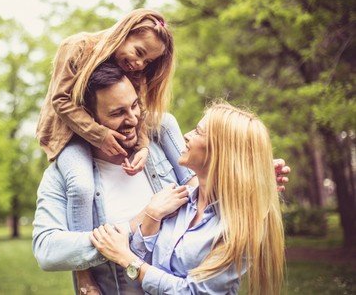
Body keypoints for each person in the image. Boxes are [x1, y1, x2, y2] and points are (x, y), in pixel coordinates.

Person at [32, 63, 290, 294]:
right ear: (87, 119)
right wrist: (140, 222)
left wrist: (252, 170)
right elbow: (47, 251)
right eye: (117, 113)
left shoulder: (160, 149)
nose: (132, 119)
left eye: (134, 105)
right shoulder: (63, 175)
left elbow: (209, 178)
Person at [35, 9, 186, 290]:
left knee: (161, 120)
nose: (139, 63)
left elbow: (137, 109)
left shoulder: (134, 73)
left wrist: (143, 148)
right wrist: (100, 134)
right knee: (80, 185)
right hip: (68, 136)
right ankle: (83, 275)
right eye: (139, 51)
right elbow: (61, 99)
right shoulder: (77, 47)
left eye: (148, 60)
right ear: (125, 32)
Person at [90, 101, 286, 294]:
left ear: (221, 151)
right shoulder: (176, 201)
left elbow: (192, 292)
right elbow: (147, 260)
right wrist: (152, 216)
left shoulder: (239, 227)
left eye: (198, 132)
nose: (186, 135)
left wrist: (126, 258)